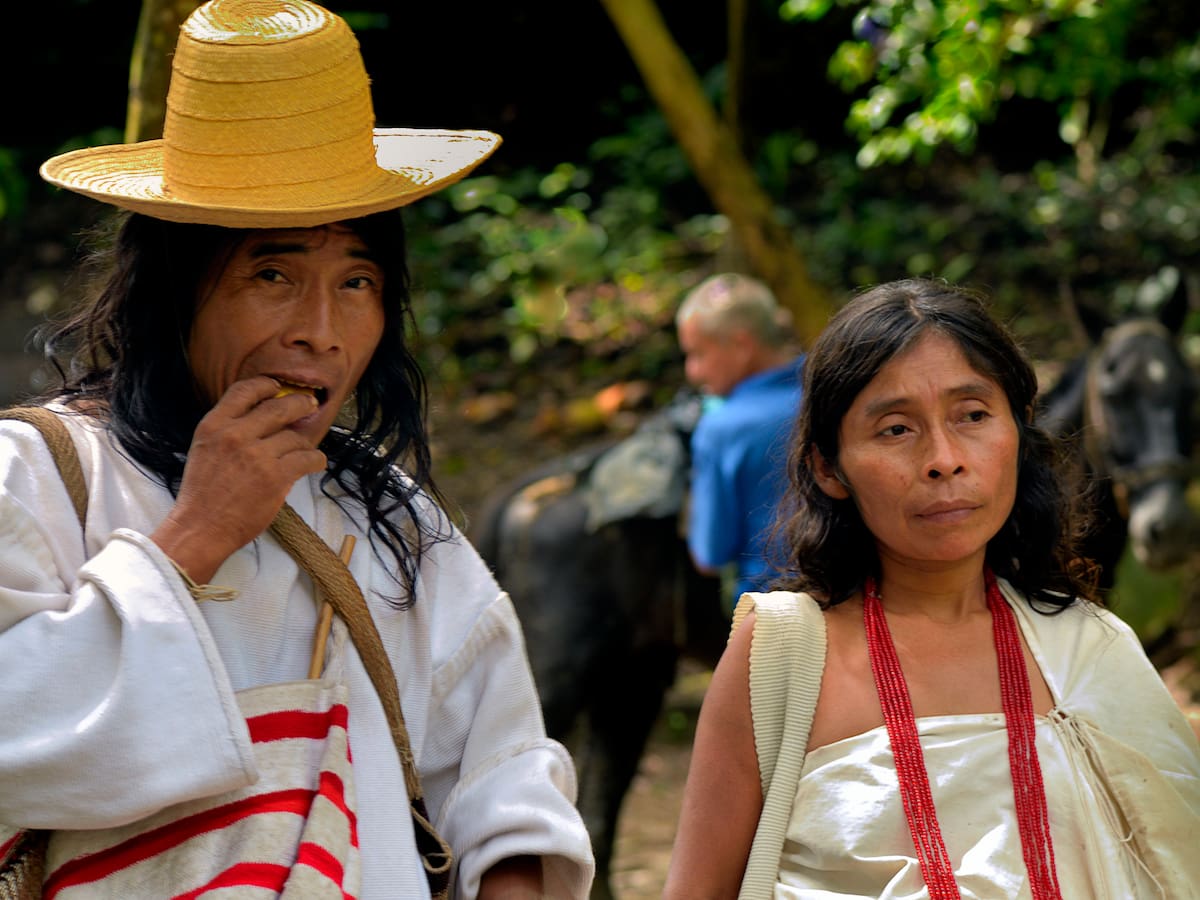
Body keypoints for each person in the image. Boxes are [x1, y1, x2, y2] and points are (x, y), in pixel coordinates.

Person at [0, 2, 593, 898]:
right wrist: (196, 533)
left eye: (356, 282)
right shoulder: (37, 478)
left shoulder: (392, 519)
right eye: (271, 275)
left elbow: (499, 768)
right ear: (172, 288)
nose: (321, 332)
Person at [664, 278, 1200, 898]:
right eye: (896, 429)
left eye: (973, 415)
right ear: (828, 467)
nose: (944, 458)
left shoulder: (1092, 649)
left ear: (1018, 434)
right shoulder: (781, 656)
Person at [675, 273, 803, 607]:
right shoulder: (833, 389)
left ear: (742, 345)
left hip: (777, 619)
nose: (693, 372)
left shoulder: (724, 428)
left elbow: (710, 555)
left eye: (698, 354)